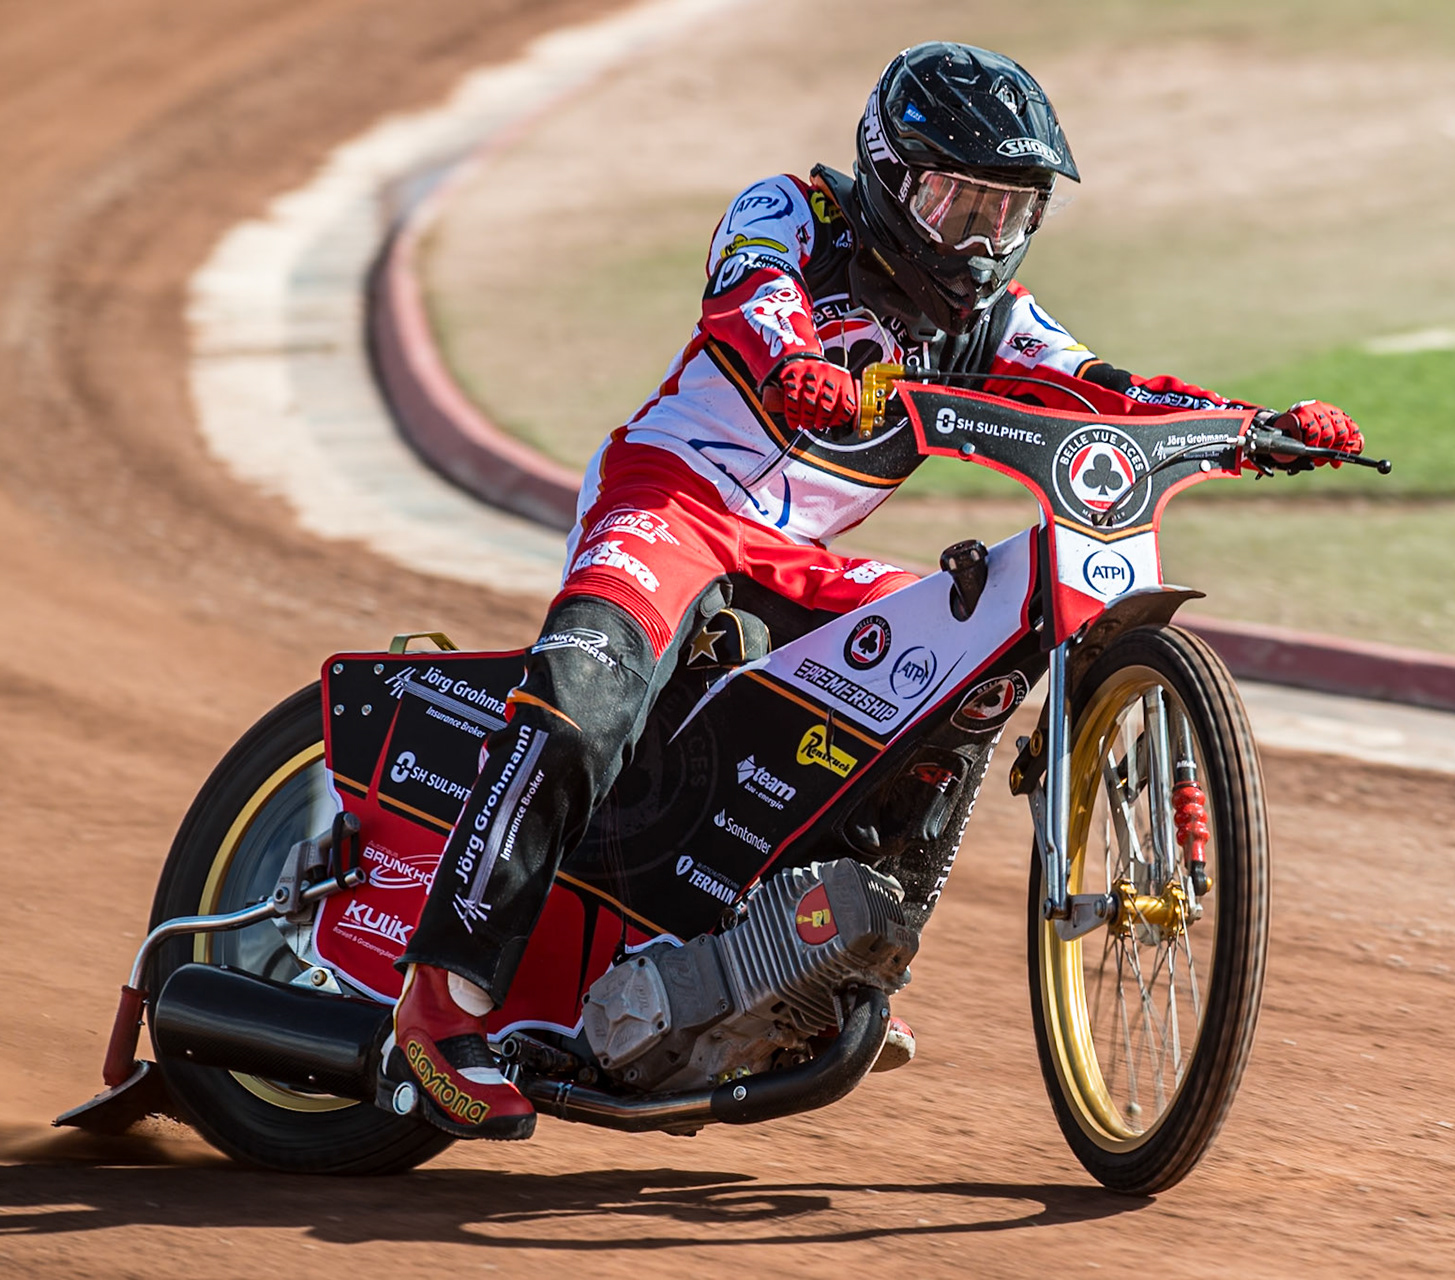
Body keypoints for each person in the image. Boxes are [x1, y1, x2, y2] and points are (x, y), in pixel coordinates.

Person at [385, 41, 1363, 1140]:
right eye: (959, 202)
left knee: (956, 656)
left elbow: (1104, 388)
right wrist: (796, 361)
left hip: (797, 556)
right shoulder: (791, 213)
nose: (983, 241)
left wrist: (1250, 426)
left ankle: (812, 949)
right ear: (891, 175)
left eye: (1012, 213)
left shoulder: (990, 321)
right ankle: (444, 995)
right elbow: (751, 295)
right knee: (587, 694)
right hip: (672, 503)